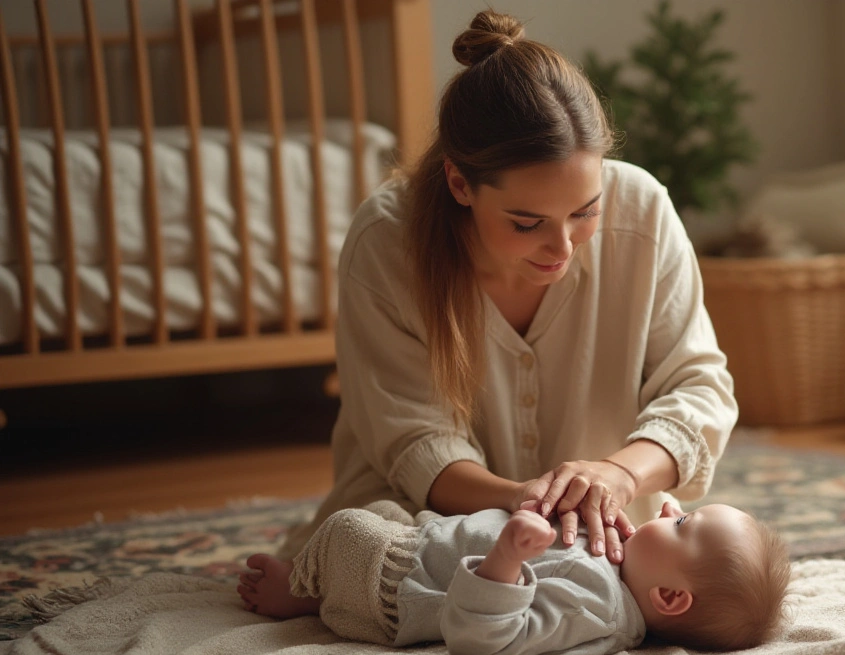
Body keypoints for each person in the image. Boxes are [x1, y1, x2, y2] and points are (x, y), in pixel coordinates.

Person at [274, 9, 737, 565]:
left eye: (585, 212)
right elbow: (413, 444)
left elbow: (699, 387)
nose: (563, 247)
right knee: (386, 575)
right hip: (427, 527)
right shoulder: (386, 241)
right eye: (527, 223)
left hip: (602, 528)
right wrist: (524, 500)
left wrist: (619, 473)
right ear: (459, 184)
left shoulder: (642, 211)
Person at [238, 500, 791, 655]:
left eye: (681, 522)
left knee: (349, 528)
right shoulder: (621, 574)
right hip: (425, 538)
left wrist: (505, 558)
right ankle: (316, 568)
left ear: (669, 596)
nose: (668, 509)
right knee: (383, 506)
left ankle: (298, 594)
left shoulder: (596, 605)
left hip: (396, 584)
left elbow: (485, 639)